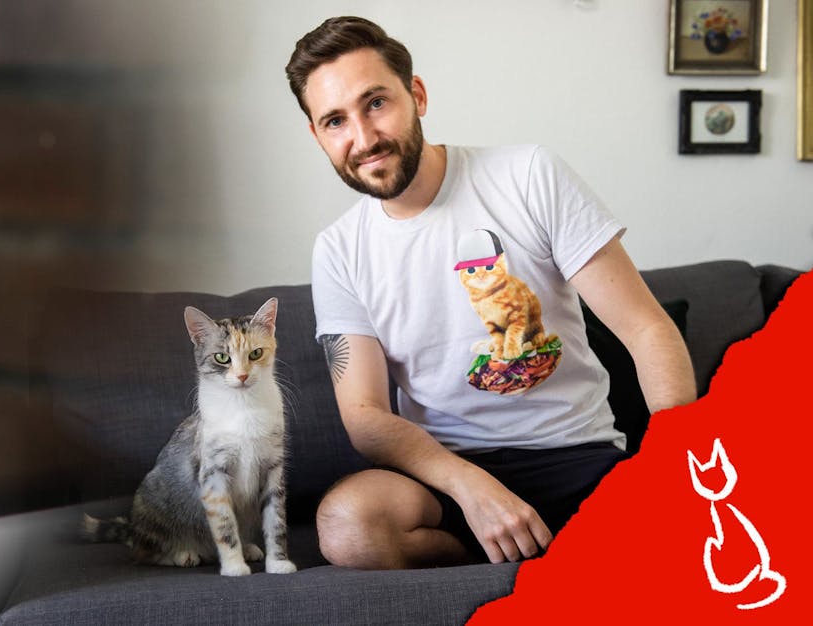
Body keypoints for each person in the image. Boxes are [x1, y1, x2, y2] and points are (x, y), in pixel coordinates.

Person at [286, 16, 695, 569]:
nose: (364, 138)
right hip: (445, 473)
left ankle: (541, 549)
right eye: (335, 120)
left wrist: (679, 459)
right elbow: (364, 414)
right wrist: (472, 488)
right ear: (317, 134)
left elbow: (645, 327)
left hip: (575, 452)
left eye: (376, 103)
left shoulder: (528, 174)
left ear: (417, 95)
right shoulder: (339, 249)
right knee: (348, 527)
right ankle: (523, 549)